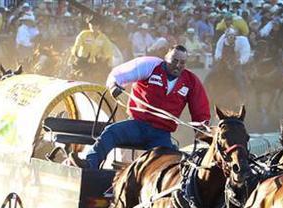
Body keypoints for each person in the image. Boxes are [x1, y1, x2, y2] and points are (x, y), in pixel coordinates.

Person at [69, 45, 210, 170]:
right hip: (137, 125)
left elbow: (200, 108)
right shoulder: (150, 65)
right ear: (166, 58)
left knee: (166, 162)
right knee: (111, 132)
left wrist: (203, 126)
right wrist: (113, 86)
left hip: (161, 133)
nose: (178, 65)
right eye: (174, 60)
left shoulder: (191, 81)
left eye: (182, 62)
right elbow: (118, 74)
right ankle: (90, 164)